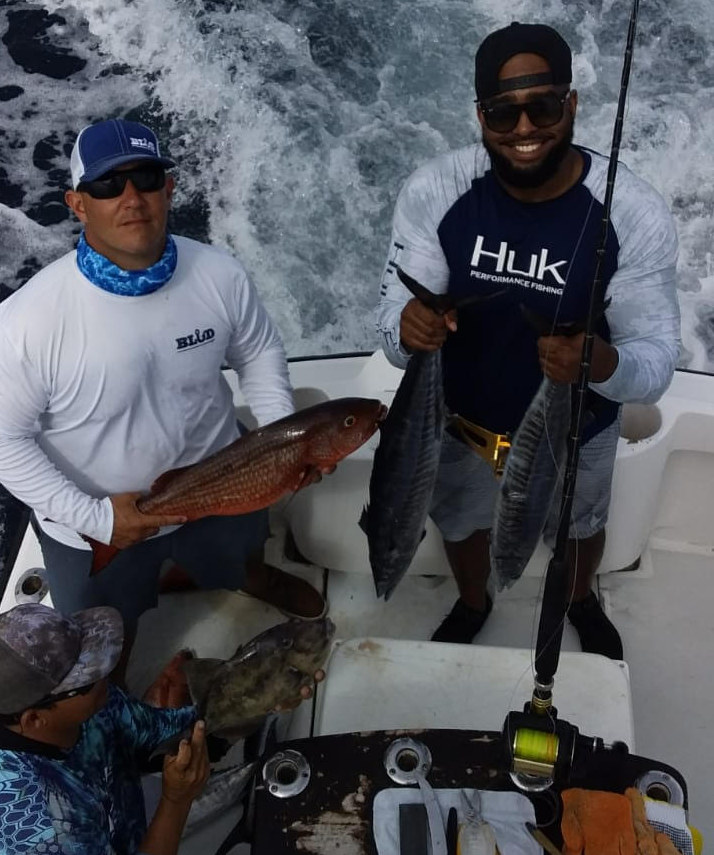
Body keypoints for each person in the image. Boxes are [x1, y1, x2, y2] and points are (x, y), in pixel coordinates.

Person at [376, 22, 680, 657]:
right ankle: (473, 600)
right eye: (501, 112)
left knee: (580, 524)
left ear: (570, 104)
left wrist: (597, 360)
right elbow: (391, 334)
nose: (523, 129)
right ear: (480, 115)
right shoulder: (436, 191)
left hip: (579, 427)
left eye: (541, 106)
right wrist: (408, 329)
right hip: (458, 426)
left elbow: (654, 365)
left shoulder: (631, 212)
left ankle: (579, 597)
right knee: (459, 521)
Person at [0, 118, 326, 679]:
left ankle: (249, 576)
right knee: (99, 650)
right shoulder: (27, 321)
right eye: (107, 186)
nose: (131, 198)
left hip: (224, 484)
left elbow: (260, 352)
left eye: (146, 178)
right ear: (77, 204)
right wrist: (97, 519)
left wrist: (280, 440)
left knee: (238, 556)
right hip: (97, 522)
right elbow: (4, 442)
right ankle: (115, 673)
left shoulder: (220, 275)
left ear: (169, 188)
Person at [0, 602, 208, 854]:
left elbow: (157, 726)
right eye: (85, 681)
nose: (104, 674)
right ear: (34, 719)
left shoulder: (98, 700)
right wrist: (176, 800)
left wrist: (225, 710)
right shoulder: (39, 826)